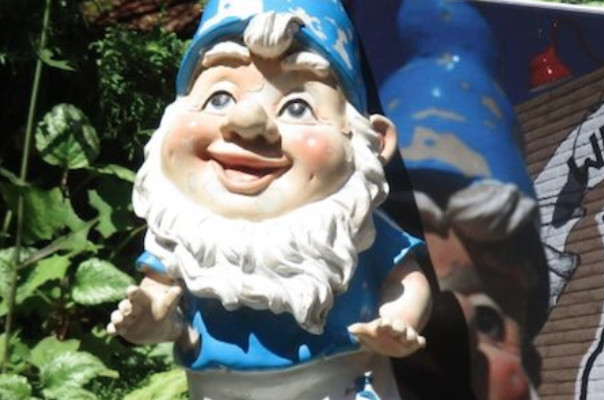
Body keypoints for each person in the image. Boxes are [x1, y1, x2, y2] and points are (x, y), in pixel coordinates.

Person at [106, 1, 432, 399]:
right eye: (219, 98)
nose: (246, 122)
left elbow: (406, 281)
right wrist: (154, 321)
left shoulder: (357, 229)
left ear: (374, 142)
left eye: (297, 107)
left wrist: (400, 318)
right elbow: (162, 293)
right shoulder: (182, 234)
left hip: (341, 383)